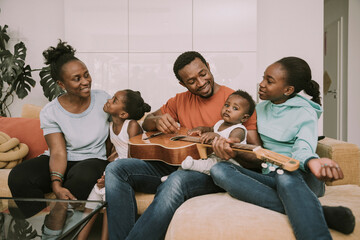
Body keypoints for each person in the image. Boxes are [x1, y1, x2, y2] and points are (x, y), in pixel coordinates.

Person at [105, 51, 261, 240]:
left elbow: (256, 159)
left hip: (211, 173)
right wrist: (157, 121)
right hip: (176, 164)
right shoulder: (179, 100)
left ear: (209, 67)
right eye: (192, 81)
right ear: (183, 84)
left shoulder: (237, 102)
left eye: (203, 74)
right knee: (116, 169)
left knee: (177, 180)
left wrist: (232, 152)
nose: (201, 82)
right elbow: (147, 122)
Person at [209, 57, 355, 240]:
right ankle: (319, 213)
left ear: (288, 90)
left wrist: (312, 161)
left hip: (301, 175)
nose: (261, 84)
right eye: (263, 78)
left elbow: (303, 148)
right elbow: (248, 140)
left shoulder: (305, 112)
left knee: (285, 175)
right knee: (219, 170)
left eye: (269, 81)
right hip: (270, 175)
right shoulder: (259, 109)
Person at [8, 40, 111, 218]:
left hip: (93, 160)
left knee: (82, 178)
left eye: (86, 75)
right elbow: (57, 151)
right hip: (61, 159)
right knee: (19, 176)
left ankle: (57, 228)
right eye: (77, 79)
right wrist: (56, 184)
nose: (86, 81)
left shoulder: (103, 100)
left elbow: (122, 125)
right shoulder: (51, 111)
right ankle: (40, 225)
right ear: (61, 84)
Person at [78, 89, 151, 240]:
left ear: (123, 114)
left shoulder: (131, 126)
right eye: (112, 98)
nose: (109, 100)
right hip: (117, 167)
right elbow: (112, 152)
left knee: (108, 194)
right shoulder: (110, 126)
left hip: (132, 169)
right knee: (93, 198)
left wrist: (110, 177)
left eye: (115, 100)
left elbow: (134, 157)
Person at [181, 89, 256, 175]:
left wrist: (217, 136)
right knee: (190, 160)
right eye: (227, 105)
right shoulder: (220, 123)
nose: (228, 109)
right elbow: (210, 129)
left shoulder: (239, 129)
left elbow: (232, 140)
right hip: (214, 156)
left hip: (229, 162)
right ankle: (177, 173)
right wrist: (201, 129)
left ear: (244, 118)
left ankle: (192, 165)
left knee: (208, 163)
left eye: (235, 108)